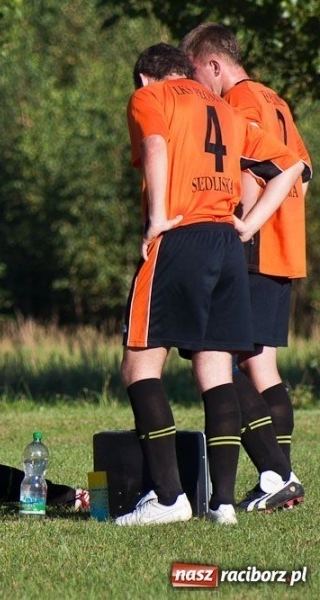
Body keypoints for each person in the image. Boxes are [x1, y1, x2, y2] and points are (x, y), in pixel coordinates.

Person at [116, 43, 302, 526]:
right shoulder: (224, 106)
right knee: (217, 371)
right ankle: (221, 505)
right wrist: (250, 223)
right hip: (226, 245)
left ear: (143, 79)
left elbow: (155, 146)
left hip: (180, 236)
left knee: (140, 365)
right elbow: (291, 167)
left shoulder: (149, 98)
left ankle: (169, 499)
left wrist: (156, 218)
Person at [180, 23, 310, 513]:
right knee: (261, 364)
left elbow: (246, 170)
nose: (198, 86)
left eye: (196, 73)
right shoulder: (276, 99)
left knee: (221, 360)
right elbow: (303, 169)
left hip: (252, 248)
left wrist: (244, 223)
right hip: (286, 246)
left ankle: (279, 474)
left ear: (214, 65)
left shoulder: (236, 102)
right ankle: (280, 481)